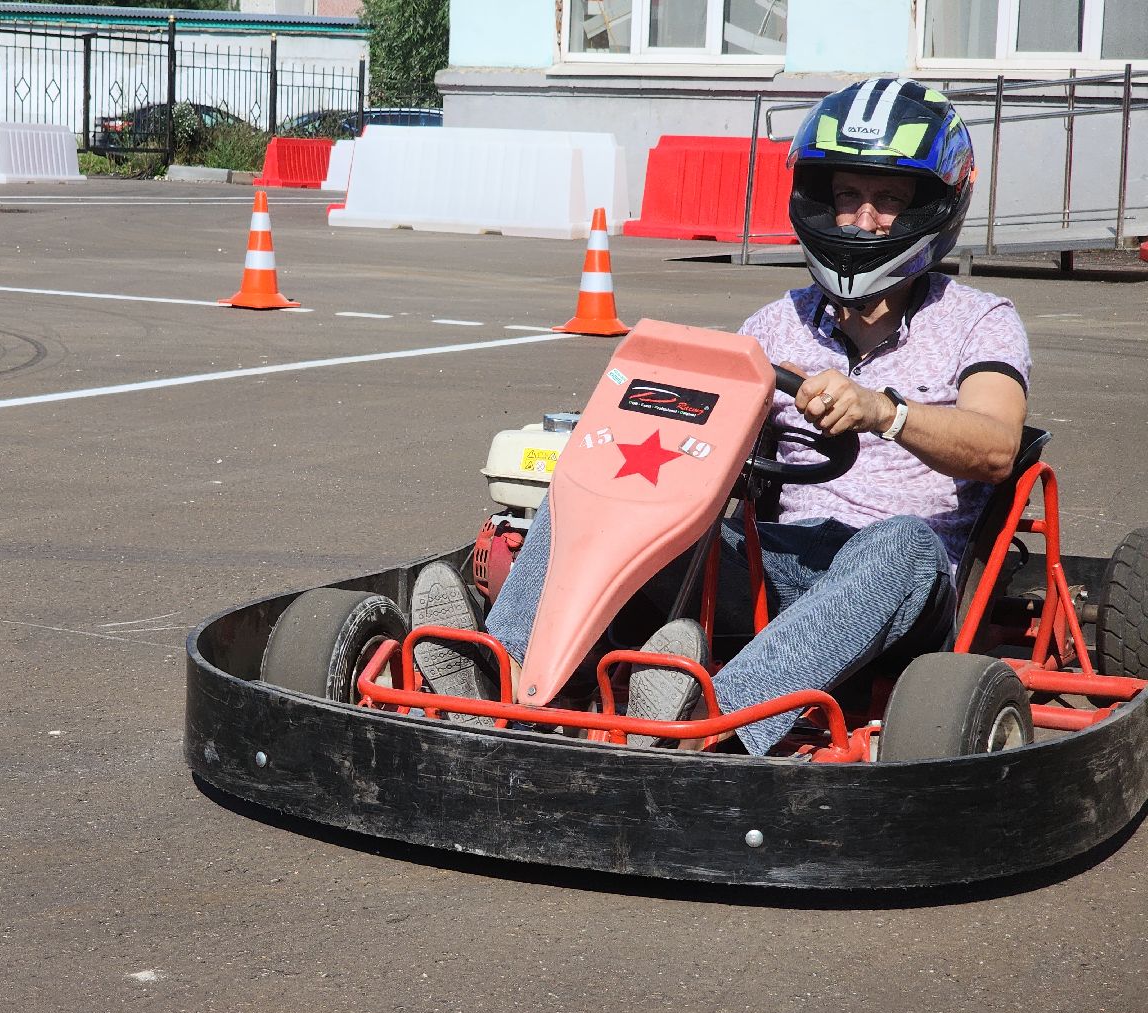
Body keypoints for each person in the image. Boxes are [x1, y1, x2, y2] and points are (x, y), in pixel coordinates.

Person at [412, 77, 1031, 755]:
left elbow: (998, 445)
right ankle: (499, 683)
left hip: (900, 586)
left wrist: (885, 414)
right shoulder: (775, 325)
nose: (863, 220)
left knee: (900, 541)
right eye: (849, 196)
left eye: (888, 200)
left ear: (933, 207)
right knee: (588, 489)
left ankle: (710, 728)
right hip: (779, 564)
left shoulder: (979, 321)